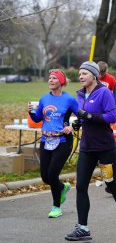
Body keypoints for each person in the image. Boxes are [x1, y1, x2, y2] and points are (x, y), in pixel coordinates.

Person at [65, 61, 116, 241]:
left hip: (105, 149)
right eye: (79, 74)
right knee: (80, 186)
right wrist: (78, 122)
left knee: (111, 184)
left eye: (84, 74)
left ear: (94, 75)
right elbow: (81, 115)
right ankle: (83, 228)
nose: (80, 77)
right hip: (87, 148)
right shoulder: (79, 94)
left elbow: (111, 117)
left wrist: (87, 116)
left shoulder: (104, 92)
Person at [28, 69, 77, 218]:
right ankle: (63, 187)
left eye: (54, 78)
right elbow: (37, 119)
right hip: (46, 140)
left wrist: (72, 127)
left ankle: (57, 207)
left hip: (63, 141)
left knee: (52, 174)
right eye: (49, 78)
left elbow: (82, 117)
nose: (50, 80)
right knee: (45, 177)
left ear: (61, 82)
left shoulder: (69, 99)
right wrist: (31, 112)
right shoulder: (43, 99)